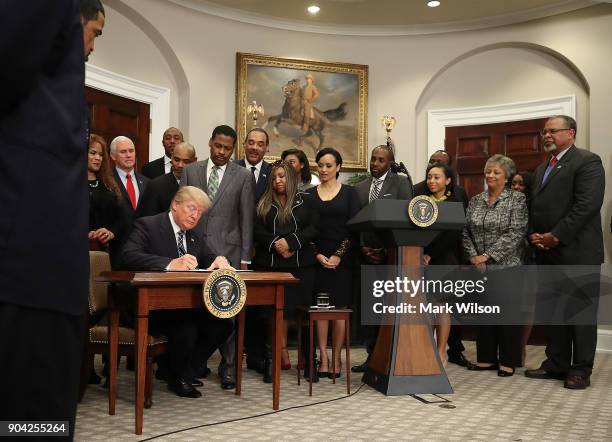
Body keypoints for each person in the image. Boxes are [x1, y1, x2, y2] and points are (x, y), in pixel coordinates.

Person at [0, 1, 101, 438]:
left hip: (41, 269)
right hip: (27, 267)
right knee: (31, 426)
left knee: (35, 427)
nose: (93, 48)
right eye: (95, 32)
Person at [121, 186, 234, 398]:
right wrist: (170, 263)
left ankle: (182, 372)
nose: (195, 215)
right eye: (192, 208)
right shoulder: (149, 225)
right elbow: (128, 256)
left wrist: (219, 260)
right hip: (148, 305)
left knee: (223, 323)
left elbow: (207, 257)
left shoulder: (194, 234)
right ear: (175, 204)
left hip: (183, 304)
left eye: (200, 212)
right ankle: (177, 375)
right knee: (187, 326)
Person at [525, 115, 604, 390]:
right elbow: (536, 207)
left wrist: (555, 236)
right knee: (554, 312)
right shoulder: (541, 168)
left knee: (580, 314)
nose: (546, 135)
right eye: (544, 131)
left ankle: (580, 370)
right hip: (547, 253)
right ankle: (556, 363)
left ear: (570, 133)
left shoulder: (587, 161)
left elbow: (587, 206)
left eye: (553, 131)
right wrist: (534, 234)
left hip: (578, 252)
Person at [180, 124, 255, 390]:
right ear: (210, 143)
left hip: (229, 253)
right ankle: (193, 365)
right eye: (218, 146)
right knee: (193, 308)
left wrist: (245, 257)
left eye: (227, 148)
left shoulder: (243, 176)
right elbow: (181, 210)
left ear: (233, 148)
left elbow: (247, 218)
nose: (222, 152)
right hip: (194, 252)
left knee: (229, 312)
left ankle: (229, 369)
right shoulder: (191, 170)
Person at [252, 161, 320, 382]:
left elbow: (314, 228)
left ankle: (310, 362)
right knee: (269, 315)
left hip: (301, 267)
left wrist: (291, 243)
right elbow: (256, 231)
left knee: (304, 316)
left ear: (290, 178)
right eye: (273, 178)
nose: (277, 181)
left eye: (281, 176)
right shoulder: (262, 202)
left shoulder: (307, 200)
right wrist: (276, 244)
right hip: (269, 266)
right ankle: (271, 361)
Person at [462, 154, 528, 377]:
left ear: (507, 176)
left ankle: (508, 360)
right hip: (479, 267)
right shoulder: (475, 200)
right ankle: (486, 359)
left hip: (508, 265)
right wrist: (473, 256)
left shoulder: (516, 200)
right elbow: (465, 231)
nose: (490, 175)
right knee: (485, 313)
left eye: (496, 172)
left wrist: (487, 256)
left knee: (508, 314)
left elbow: (516, 233)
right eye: (488, 171)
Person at [351, 145, 413, 373]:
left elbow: (405, 217)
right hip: (366, 255)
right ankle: (372, 356)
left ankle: (392, 356)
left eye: (380, 160)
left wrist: (388, 249)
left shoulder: (401, 183)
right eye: (373, 159)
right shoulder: (359, 188)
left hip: (391, 256)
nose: (375, 164)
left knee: (390, 308)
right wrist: (364, 246)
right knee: (371, 308)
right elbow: (355, 221)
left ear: (390, 163)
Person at [413, 149, 469, 367]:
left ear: (447, 180)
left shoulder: (454, 201)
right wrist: (421, 253)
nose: (431, 181)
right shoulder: (420, 201)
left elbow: (453, 234)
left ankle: (441, 350)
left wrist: (430, 254)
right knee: (426, 306)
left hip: (445, 260)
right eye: (429, 177)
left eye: (436, 177)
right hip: (422, 259)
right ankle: (427, 347)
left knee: (442, 307)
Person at [308, 147, 360, 378]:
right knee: (320, 309)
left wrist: (339, 254)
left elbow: (354, 228)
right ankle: (324, 358)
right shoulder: (309, 195)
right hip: (316, 259)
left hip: (344, 260)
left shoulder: (350, 193)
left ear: (338, 167)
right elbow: (305, 231)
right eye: (321, 165)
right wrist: (317, 255)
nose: (324, 169)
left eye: (329, 165)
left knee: (339, 310)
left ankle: (337, 357)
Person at [110, 135, 149, 267]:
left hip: (142, 252)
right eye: (123, 152)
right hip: (115, 250)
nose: (128, 155)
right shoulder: (106, 181)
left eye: (131, 151)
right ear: (113, 156)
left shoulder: (147, 182)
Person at [138, 141, 197, 217]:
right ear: (171, 158)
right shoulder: (156, 185)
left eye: (186, 161)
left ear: (195, 161)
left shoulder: (199, 184)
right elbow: (148, 219)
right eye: (176, 159)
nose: (180, 165)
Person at [88, 133, 123, 252]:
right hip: (79, 249)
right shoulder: (73, 185)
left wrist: (111, 232)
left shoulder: (109, 183)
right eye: (93, 153)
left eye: (101, 154)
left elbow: (120, 218)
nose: (98, 158)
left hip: (109, 251)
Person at [236, 128, 272, 201]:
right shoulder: (232, 168)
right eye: (251, 143)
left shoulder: (272, 171)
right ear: (244, 144)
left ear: (267, 148)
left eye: (260, 144)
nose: (255, 148)